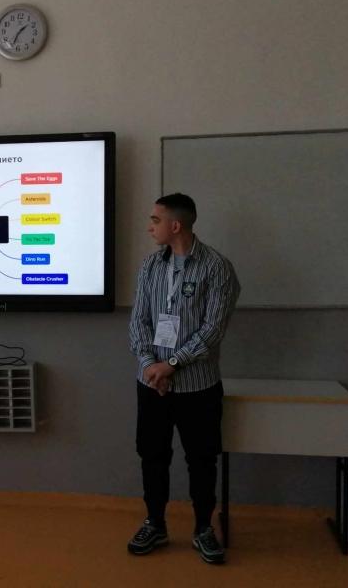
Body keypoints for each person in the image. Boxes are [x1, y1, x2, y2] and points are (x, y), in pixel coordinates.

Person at [128, 193, 240, 564]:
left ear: (175, 225)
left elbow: (213, 330)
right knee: (152, 456)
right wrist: (151, 364)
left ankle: (203, 528)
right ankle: (155, 524)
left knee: (202, 460)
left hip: (198, 386)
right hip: (151, 384)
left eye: (155, 220)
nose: (150, 227)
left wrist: (172, 364)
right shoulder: (150, 266)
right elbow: (139, 321)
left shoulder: (217, 267)